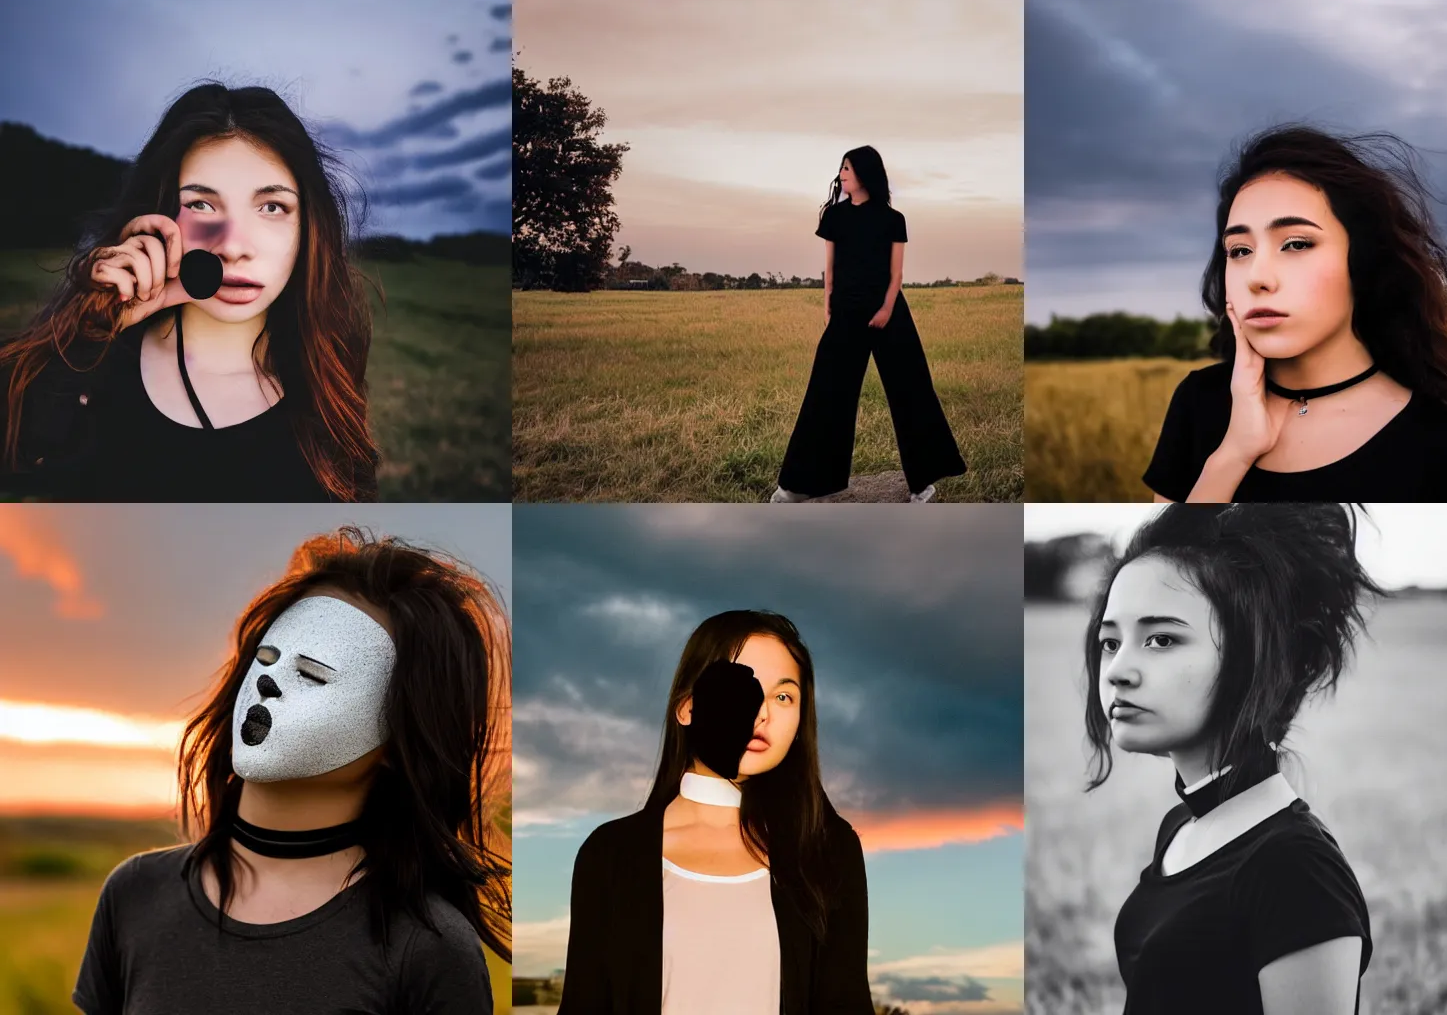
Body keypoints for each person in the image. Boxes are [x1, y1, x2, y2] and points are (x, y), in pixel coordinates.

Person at [72, 526, 510, 1014]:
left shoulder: (429, 949)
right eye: (266, 658)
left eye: (313, 674)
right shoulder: (134, 895)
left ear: (401, 736)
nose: (268, 683)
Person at [1, 83, 379, 501]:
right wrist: (90, 326)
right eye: (201, 205)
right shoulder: (95, 361)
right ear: (160, 216)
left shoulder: (327, 389)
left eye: (272, 207)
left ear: (308, 227)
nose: (233, 247)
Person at [1086, 502, 1384, 1015]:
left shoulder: (1295, 870)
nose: (1118, 670)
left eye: (1161, 639)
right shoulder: (1180, 826)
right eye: (1110, 642)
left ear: (1252, 658)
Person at [1145, 125, 1447, 501]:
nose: (1257, 277)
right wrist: (1233, 454)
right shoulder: (1199, 402)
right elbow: (1168, 555)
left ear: (1362, 261)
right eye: (1239, 251)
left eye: (1296, 244)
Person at [561, 610, 875, 1013]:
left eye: (783, 696)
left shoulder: (829, 849)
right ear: (687, 708)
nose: (761, 713)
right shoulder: (610, 853)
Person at [771, 147, 966, 503]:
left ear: (865, 173)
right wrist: (828, 304)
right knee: (826, 394)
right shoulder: (834, 216)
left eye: (848, 168)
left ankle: (922, 484)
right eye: (841, 168)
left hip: (889, 313)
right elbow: (829, 268)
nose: (842, 174)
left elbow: (897, 274)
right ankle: (799, 487)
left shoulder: (893, 219)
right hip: (846, 311)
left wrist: (888, 308)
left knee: (911, 390)